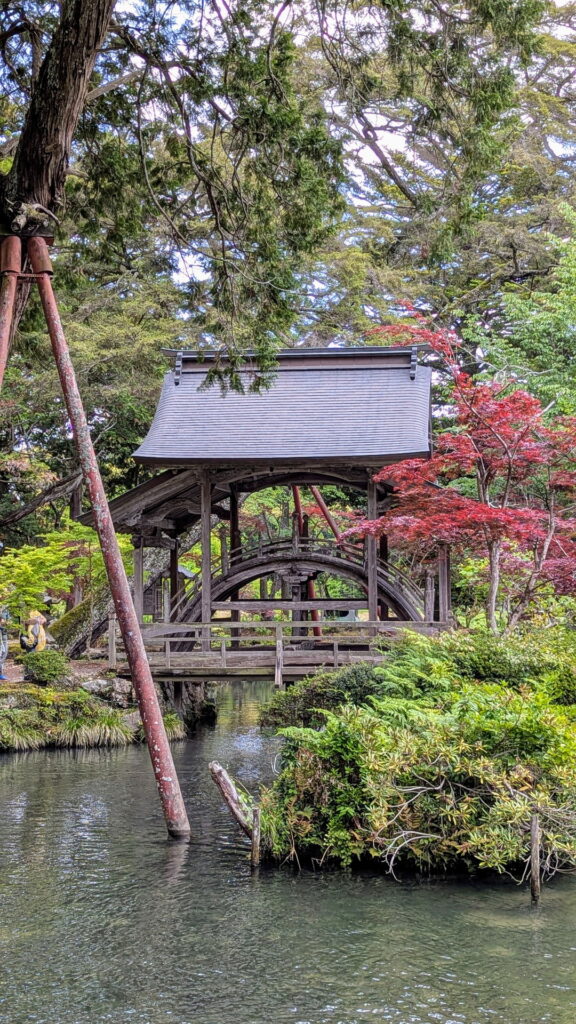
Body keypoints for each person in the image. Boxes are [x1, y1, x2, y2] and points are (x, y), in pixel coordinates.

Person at [0, 611, 8, 680]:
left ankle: (1, 673)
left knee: (4, 654)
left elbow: (9, 621)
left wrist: (6, 623)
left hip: (4, 637)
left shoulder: (6, 611)